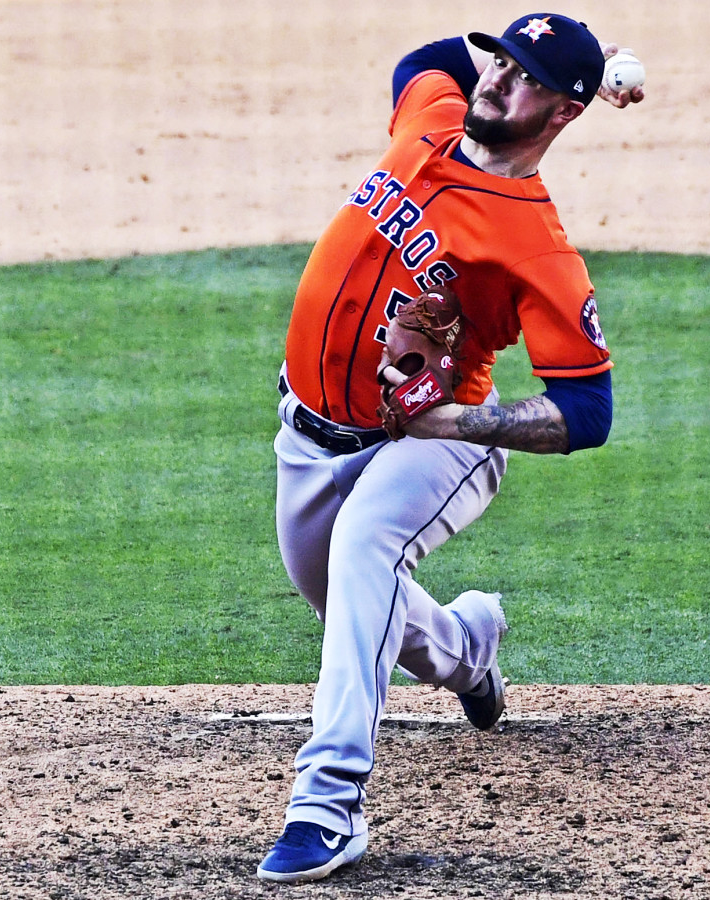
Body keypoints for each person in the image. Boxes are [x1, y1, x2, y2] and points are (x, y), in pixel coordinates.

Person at [258, 13, 645, 884]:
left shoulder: (537, 250)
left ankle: (328, 803)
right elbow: (426, 57)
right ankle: (469, 648)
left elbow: (587, 410)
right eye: (502, 61)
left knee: (367, 547)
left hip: (434, 440)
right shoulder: (431, 118)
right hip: (308, 433)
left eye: (528, 78)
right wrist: (591, 60)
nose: (498, 80)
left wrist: (457, 426)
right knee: (345, 596)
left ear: (564, 113)